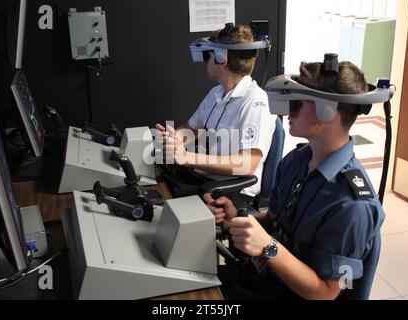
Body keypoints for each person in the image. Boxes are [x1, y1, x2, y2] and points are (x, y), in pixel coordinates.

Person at [204, 57, 386, 299]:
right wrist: (236, 218)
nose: (289, 111)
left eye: (298, 103)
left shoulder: (352, 205)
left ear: (328, 111)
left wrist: (268, 247)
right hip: (262, 278)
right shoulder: (297, 160)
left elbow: (326, 293)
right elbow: (275, 219)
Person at [155, 23, 276, 205]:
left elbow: (247, 164)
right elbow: (190, 128)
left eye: (207, 55)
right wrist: (175, 139)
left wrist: (187, 158)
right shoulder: (216, 93)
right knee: (157, 182)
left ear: (221, 59)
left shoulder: (255, 102)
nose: (205, 62)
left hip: (230, 190)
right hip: (205, 180)